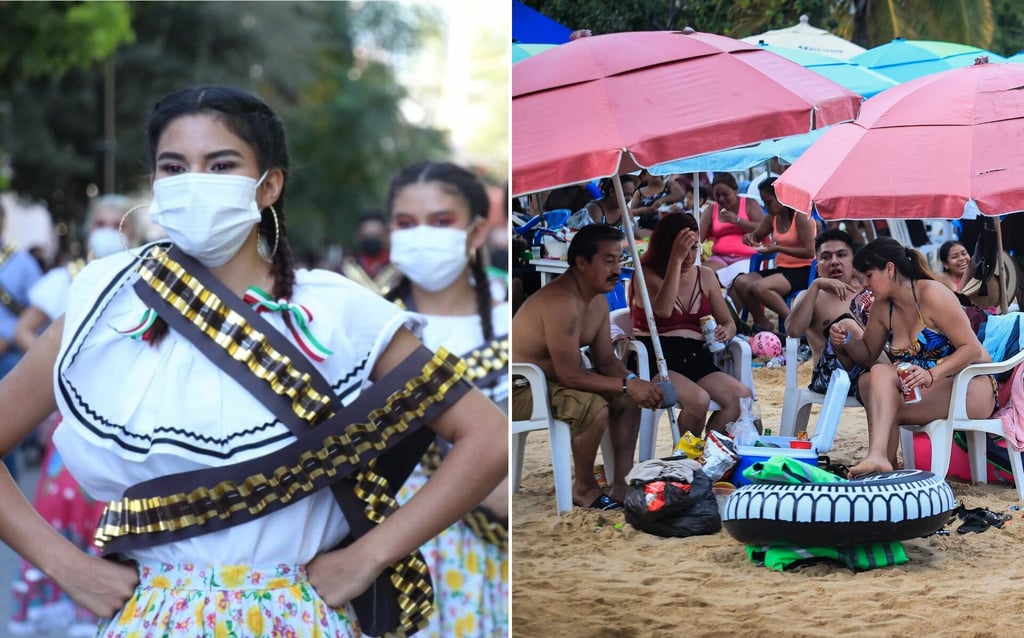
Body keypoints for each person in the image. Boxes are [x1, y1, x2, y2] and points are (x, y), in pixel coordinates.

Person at [0, 85, 506, 637]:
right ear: (155, 186)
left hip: (298, 614)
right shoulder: (103, 306)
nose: (195, 181)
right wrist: (68, 568)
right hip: (153, 618)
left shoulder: (335, 309)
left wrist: (368, 558)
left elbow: (490, 437)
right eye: (175, 167)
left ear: (268, 185)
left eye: (220, 164)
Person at [383, 160, 508, 637]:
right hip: (386, 545)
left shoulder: (503, 319)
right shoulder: (363, 324)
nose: (423, 235)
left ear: (476, 231)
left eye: (440, 222)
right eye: (407, 223)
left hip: (492, 552)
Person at [8, 194, 134, 637]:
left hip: (129, 424)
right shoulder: (68, 279)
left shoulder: (148, 280)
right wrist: (55, 371)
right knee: (60, 502)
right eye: (99, 219)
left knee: (111, 510)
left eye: (115, 220)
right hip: (74, 417)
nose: (106, 226)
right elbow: (26, 328)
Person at [512, 224, 664, 509]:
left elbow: (606, 361)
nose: (617, 269)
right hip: (519, 389)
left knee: (628, 401)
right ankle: (583, 487)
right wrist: (626, 384)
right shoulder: (560, 303)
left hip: (554, 382)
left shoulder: (596, 302)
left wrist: (633, 381)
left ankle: (621, 484)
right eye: (609, 261)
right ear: (581, 263)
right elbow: (569, 374)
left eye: (620, 260)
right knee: (593, 408)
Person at [830, 238, 995, 478]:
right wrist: (846, 341)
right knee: (868, 381)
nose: (864, 284)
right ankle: (883, 463)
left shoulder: (931, 294)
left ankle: (881, 460)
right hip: (924, 391)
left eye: (868, 275)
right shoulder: (882, 307)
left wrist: (930, 374)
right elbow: (867, 356)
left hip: (968, 386)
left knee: (882, 393)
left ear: (889, 269)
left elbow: (971, 348)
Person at [628, 213, 752, 436]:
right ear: (667, 247)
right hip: (658, 357)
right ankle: (686, 458)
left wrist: (726, 331)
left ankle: (709, 453)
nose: (689, 256)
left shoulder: (704, 275)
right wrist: (675, 261)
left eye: (694, 248)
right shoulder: (646, 274)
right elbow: (663, 310)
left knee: (741, 397)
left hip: (695, 355)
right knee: (698, 400)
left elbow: (728, 322)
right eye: (683, 248)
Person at [786, 229, 883, 400]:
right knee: (846, 326)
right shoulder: (811, 296)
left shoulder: (871, 293)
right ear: (817, 267)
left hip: (872, 375)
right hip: (831, 378)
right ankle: (899, 379)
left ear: (854, 262)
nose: (834, 262)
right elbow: (793, 331)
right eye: (826, 257)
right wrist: (816, 285)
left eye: (841, 255)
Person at [731, 177, 816, 332]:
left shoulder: (801, 216)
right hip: (783, 269)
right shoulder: (773, 217)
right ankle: (763, 323)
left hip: (804, 270)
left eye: (768, 202)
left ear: (781, 198)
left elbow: (810, 252)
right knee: (741, 282)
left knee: (760, 288)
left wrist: (778, 249)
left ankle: (795, 324)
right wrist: (749, 238)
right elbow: (756, 236)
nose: (766, 206)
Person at [0, 201, 44, 481]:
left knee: (4, 434)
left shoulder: (21, 262)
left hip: (9, 356)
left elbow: (42, 312)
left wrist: (8, 337)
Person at [699, 172, 764, 276]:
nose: (721, 199)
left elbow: (763, 228)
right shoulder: (711, 210)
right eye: (717, 195)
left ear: (735, 191)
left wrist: (738, 220)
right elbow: (699, 237)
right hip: (720, 257)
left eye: (725, 194)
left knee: (738, 280)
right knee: (704, 275)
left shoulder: (749, 204)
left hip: (747, 258)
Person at [339, 211, 403, 295]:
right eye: (366, 236)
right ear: (358, 236)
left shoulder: (399, 266)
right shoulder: (346, 268)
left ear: (386, 235)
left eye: (376, 236)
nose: (371, 240)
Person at [569, 176, 638, 231]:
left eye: (631, 195)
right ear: (611, 191)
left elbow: (637, 233)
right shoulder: (595, 208)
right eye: (625, 194)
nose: (629, 198)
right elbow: (599, 238)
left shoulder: (625, 209)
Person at [629, 170, 685, 236]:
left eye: (656, 170)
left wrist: (662, 200)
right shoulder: (639, 192)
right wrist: (643, 210)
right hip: (647, 229)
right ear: (644, 176)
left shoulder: (669, 184)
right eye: (651, 171)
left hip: (670, 226)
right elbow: (631, 212)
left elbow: (680, 194)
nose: (654, 173)